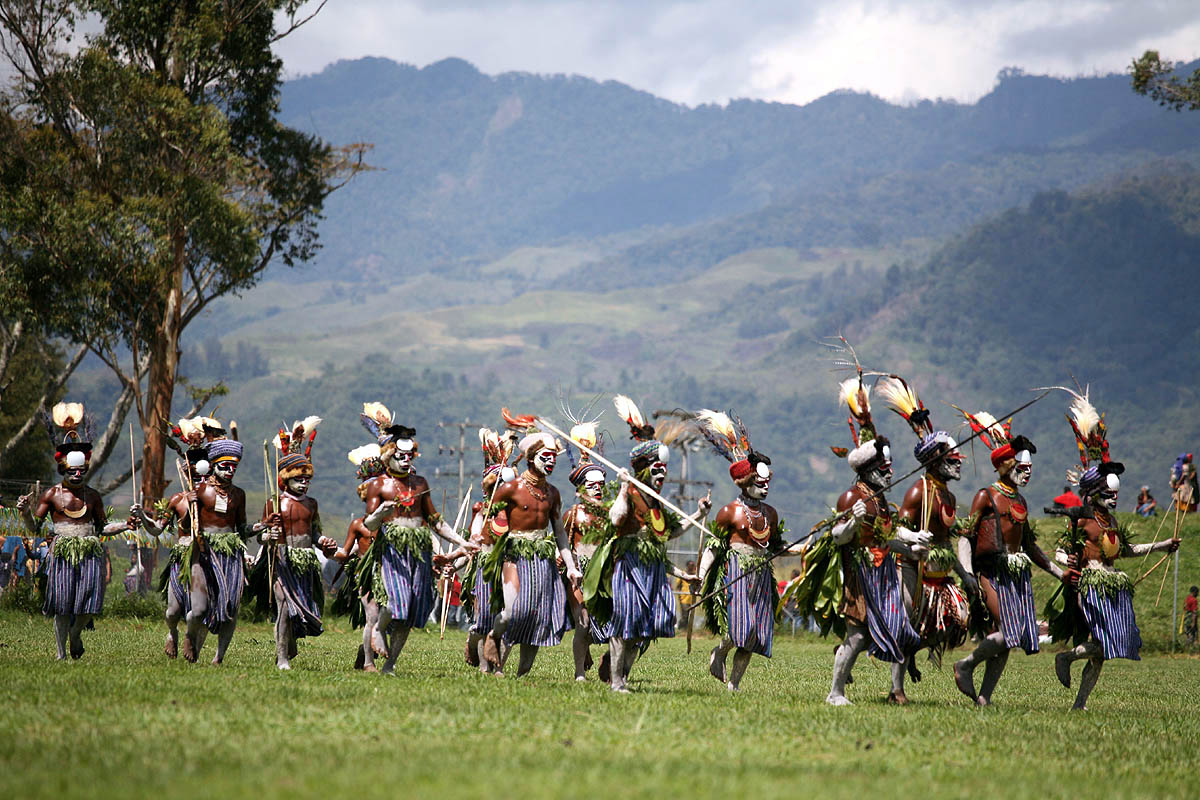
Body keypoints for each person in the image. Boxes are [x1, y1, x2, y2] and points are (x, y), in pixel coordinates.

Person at [1049, 389, 1180, 710]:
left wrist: (1163, 546)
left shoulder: (1112, 523)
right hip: (1091, 586)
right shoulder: (1083, 519)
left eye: (1116, 493)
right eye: (1109, 493)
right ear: (1094, 493)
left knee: (1108, 650)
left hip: (1113, 583)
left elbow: (1128, 550)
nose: (1115, 498)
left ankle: (1079, 703)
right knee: (1106, 644)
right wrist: (1066, 562)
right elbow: (1059, 550)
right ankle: (1066, 657)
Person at [585, 395, 706, 692]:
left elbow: (670, 532)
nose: (662, 472)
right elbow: (615, 520)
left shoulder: (657, 503)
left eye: (664, 469)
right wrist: (625, 488)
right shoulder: (632, 493)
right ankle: (617, 681)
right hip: (628, 567)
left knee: (648, 626)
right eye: (657, 468)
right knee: (625, 623)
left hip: (652, 570)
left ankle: (619, 671)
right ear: (643, 468)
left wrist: (698, 514)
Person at [814, 372, 922, 706]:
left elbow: (888, 535)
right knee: (858, 637)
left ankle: (897, 690)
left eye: (889, 467)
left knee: (901, 630)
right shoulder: (852, 497)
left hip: (884, 574)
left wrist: (913, 540)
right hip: (860, 576)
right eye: (883, 467)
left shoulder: (881, 500)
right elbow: (838, 535)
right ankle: (835, 692)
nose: (889, 472)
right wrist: (852, 523)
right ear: (868, 468)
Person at [953, 409, 1070, 706]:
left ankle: (984, 697)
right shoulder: (986, 496)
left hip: (1016, 575)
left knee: (1006, 641)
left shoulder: (1021, 501)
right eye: (1022, 466)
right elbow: (966, 536)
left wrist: (1060, 572)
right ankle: (966, 664)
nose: (1027, 472)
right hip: (991, 572)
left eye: (1030, 467)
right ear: (1005, 465)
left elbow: (1030, 546)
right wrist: (967, 573)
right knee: (1009, 631)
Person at [133, 417, 265, 664]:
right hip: (198, 554)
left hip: (228, 555)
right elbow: (157, 529)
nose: (230, 471)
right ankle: (175, 632)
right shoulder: (190, 496)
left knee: (226, 608)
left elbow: (242, 528)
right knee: (175, 611)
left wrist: (262, 527)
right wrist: (141, 515)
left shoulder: (237, 495)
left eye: (232, 467)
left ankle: (216, 656)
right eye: (224, 466)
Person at [16, 402, 135, 659]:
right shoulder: (51, 495)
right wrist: (26, 511)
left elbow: (103, 528)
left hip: (90, 552)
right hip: (61, 552)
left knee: (87, 606)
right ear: (63, 469)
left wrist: (126, 524)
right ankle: (60, 654)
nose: (78, 474)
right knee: (62, 605)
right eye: (73, 471)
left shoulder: (93, 496)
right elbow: (35, 528)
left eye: (82, 470)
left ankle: (76, 634)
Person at [696, 409, 801, 692]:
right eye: (759, 482)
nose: (765, 488)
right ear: (745, 482)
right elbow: (713, 547)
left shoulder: (771, 514)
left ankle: (734, 684)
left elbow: (778, 548)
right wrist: (702, 576)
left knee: (754, 635)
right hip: (737, 573)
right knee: (739, 629)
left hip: (762, 575)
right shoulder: (730, 512)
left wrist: (807, 548)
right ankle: (720, 651)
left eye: (767, 483)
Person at [359, 418, 475, 674]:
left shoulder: (420, 483)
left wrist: (461, 541)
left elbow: (435, 520)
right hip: (392, 549)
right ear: (389, 456)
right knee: (395, 600)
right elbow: (369, 523)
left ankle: (390, 664)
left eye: (409, 455)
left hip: (419, 551)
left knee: (411, 609)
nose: (406, 459)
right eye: (400, 455)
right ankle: (377, 630)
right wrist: (380, 512)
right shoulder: (378, 485)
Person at [480, 419, 580, 677]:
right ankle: (494, 635)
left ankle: (520, 674)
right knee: (514, 610)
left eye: (553, 457)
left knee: (538, 616)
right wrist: (486, 549)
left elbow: (559, 533)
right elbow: (489, 517)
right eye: (545, 456)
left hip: (542, 557)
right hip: (514, 554)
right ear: (531, 458)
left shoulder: (553, 494)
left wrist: (571, 567)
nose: (551, 461)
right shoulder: (511, 488)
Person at [254, 418, 339, 670]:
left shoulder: (312, 504)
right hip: (281, 560)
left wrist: (324, 541)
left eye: (307, 479)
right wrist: (267, 536)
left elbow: (314, 534)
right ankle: (281, 658)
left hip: (305, 562)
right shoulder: (275, 503)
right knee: (282, 606)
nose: (304, 483)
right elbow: (261, 533)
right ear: (286, 479)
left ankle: (288, 644)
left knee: (298, 612)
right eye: (299, 479)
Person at [560, 419, 614, 681]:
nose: (597, 487)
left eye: (600, 483)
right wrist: (569, 569)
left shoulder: (611, 514)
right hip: (579, 572)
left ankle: (607, 661)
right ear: (581, 486)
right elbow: (562, 545)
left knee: (611, 626)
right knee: (582, 624)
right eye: (591, 483)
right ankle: (579, 672)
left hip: (605, 573)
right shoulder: (573, 514)